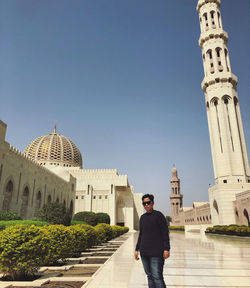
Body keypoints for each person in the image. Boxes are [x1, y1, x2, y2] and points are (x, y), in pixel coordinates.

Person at [135, 194, 170, 288]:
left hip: (157, 253)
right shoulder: (142, 218)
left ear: (153, 203)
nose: (146, 205)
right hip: (144, 252)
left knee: (157, 277)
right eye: (144, 203)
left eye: (148, 203)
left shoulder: (159, 215)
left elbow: (165, 233)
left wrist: (166, 249)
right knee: (149, 276)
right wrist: (136, 249)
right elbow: (141, 234)